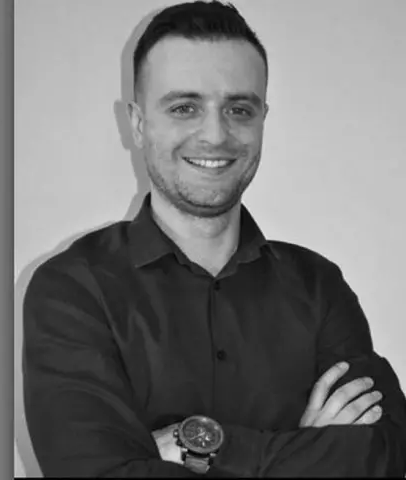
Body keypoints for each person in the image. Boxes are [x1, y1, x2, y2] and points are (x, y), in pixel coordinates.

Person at [22, 1, 406, 477]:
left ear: (262, 119)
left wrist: (198, 447)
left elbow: (385, 456)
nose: (215, 135)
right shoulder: (73, 290)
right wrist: (308, 452)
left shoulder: (319, 287)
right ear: (138, 125)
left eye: (239, 109)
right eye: (184, 108)